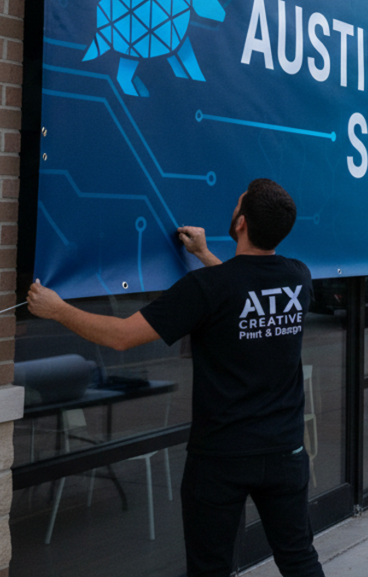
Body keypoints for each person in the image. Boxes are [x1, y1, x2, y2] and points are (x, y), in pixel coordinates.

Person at [27, 179, 325, 577]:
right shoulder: (297, 278)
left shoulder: (206, 288)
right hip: (285, 453)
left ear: (240, 223)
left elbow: (121, 337)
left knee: (210, 569)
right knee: (299, 558)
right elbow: (244, 289)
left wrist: (58, 309)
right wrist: (203, 254)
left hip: (222, 459)